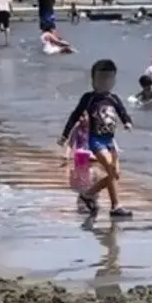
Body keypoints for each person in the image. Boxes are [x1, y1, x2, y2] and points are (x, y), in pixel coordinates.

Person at [57, 59, 133, 219]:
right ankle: (116, 206)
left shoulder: (114, 98)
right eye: (101, 79)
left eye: (108, 79)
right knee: (111, 169)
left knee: (115, 174)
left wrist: (127, 122)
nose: (105, 82)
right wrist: (65, 135)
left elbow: (122, 112)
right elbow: (75, 115)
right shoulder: (89, 98)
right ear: (93, 80)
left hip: (110, 141)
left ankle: (88, 194)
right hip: (96, 140)